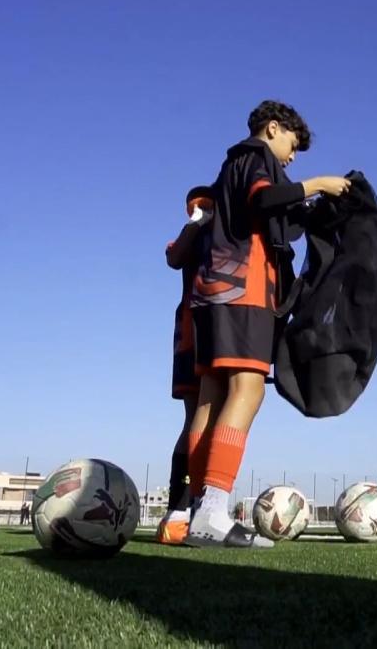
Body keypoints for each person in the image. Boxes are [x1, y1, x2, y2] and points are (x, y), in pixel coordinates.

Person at [182, 100, 350, 547]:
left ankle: (195, 509)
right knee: (248, 389)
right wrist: (316, 185)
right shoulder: (255, 158)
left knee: (211, 397)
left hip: (210, 292)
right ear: (273, 128)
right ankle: (214, 510)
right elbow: (264, 198)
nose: (292, 158)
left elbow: (273, 215)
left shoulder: (228, 165)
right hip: (244, 289)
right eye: (292, 146)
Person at [157, 186, 214, 546]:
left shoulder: (231, 235)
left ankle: (204, 509)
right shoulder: (192, 235)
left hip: (222, 326)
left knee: (217, 415)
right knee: (196, 415)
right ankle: (180, 510)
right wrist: (196, 222)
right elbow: (174, 257)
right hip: (194, 329)